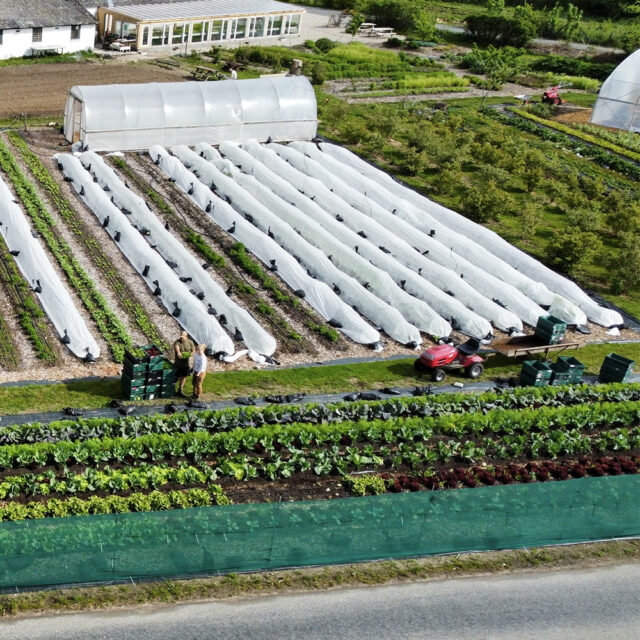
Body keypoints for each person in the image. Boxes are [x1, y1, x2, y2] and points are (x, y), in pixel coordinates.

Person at [173, 330, 195, 397]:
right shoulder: (177, 342)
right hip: (178, 364)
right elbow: (177, 348)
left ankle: (180, 390)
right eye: (180, 337)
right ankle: (171, 389)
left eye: (183, 337)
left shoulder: (190, 342)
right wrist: (178, 352)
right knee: (175, 377)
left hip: (185, 364)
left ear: (186, 337)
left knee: (183, 377)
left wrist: (191, 354)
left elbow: (193, 350)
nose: (181, 338)